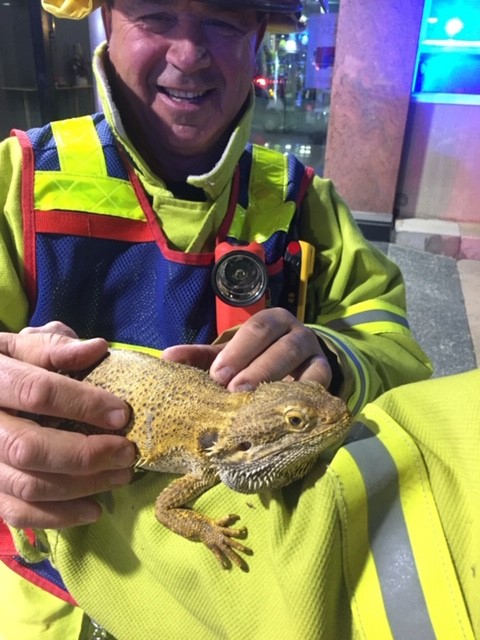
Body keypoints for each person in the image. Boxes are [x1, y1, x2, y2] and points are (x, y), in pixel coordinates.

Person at [0, 0, 441, 637]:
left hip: (243, 609)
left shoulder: (305, 199)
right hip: (44, 598)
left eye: (224, 19)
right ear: (103, 20)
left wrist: (339, 358)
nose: (188, 54)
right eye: (155, 15)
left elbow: (395, 343)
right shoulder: (17, 178)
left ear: (259, 33)